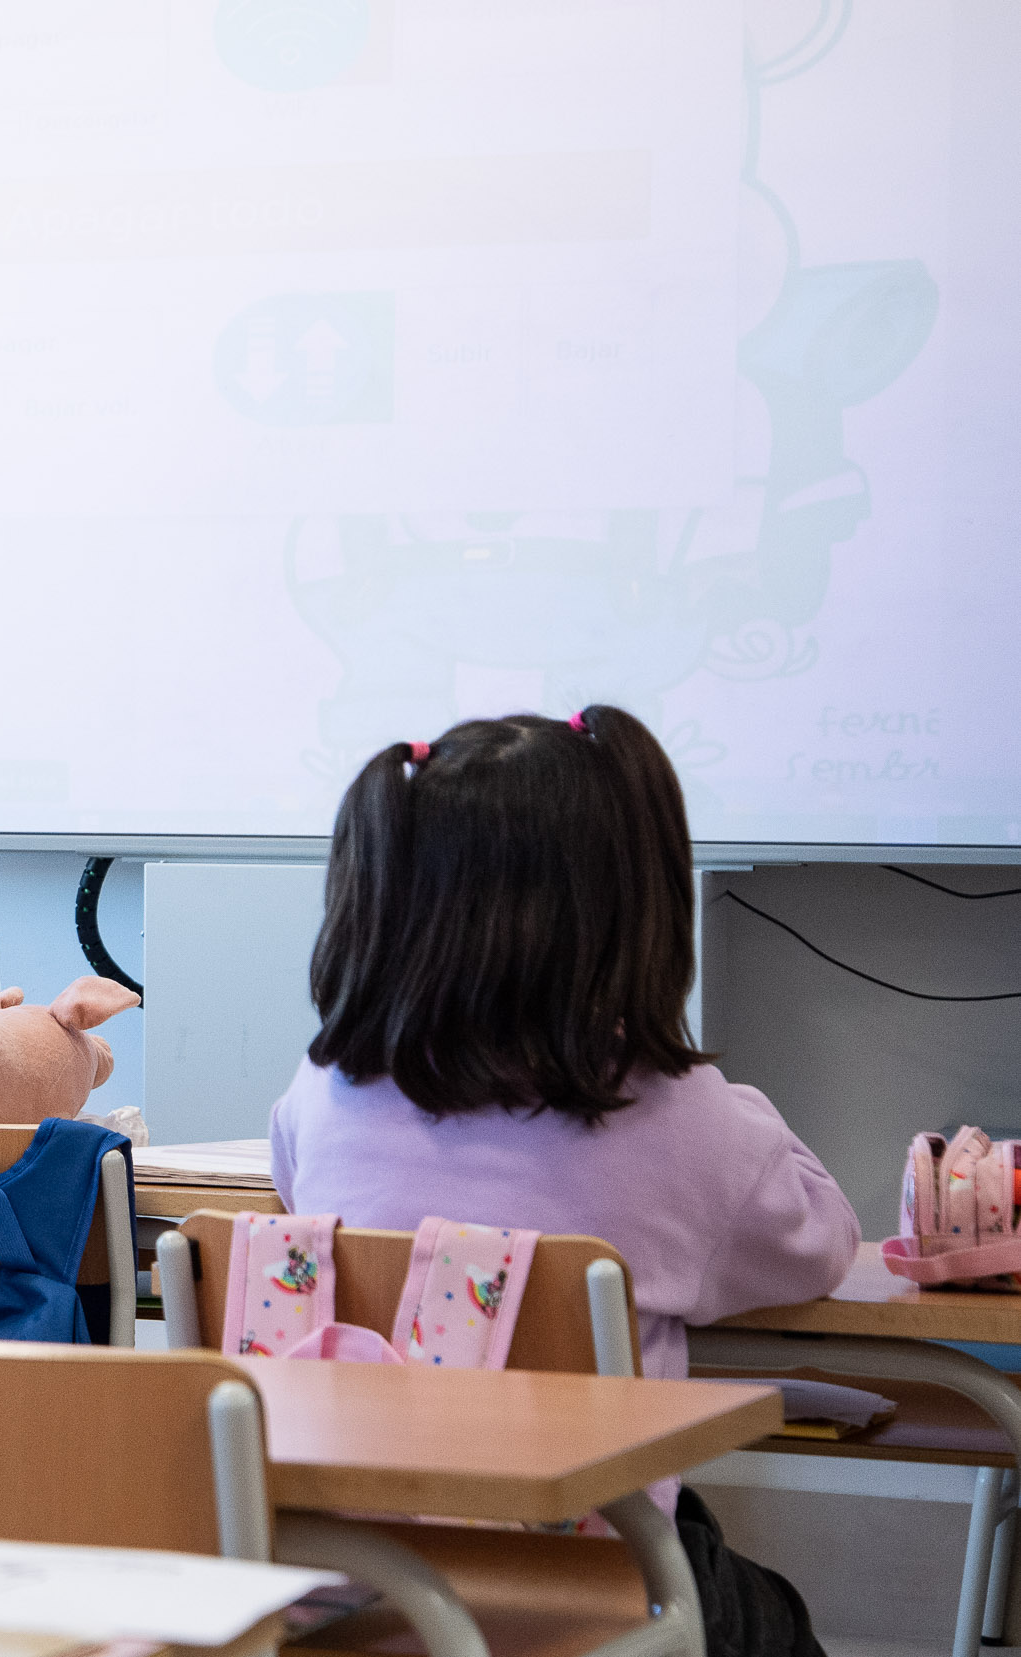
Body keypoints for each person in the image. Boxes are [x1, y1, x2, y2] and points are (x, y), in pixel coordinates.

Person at [270, 706, 857, 1657]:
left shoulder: (324, 1090)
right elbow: (820, 1246)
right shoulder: (679, 1112)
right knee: (767, 1615)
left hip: (349, 1573)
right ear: (630, 902)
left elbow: (298, 1209)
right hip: (589, 1575)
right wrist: (724, 1094)